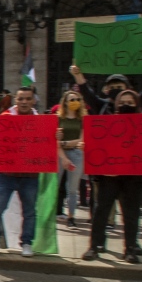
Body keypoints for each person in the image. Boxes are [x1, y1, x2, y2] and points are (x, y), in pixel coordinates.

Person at [0, 88, 70, 256]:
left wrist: (55, 137)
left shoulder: (41, 122)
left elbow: (49, 145)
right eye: (21, 98)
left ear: (33, 101)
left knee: (29, 212)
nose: (24, 102)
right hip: (6, 175)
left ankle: (27, 243)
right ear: (16, 99)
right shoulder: (5, 118)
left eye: (27, 99)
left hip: (30, 176)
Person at [81, 86, 142, 263]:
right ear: (116, 104)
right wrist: (88, 146)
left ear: (137, 104)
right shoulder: (107, 122)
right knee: (101, 212)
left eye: (130, 102)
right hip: (109, 176)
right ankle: (94, 246)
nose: (126, 105)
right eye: (122, 102)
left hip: (133, 178)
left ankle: (130, 249)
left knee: (131, 214)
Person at [56, 90, 86, 226]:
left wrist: (65, 143)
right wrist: (63, 156)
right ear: (65, 102)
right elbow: (55, 141)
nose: (75, 102)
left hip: (76, 154)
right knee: (54, 186)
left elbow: (81, 139)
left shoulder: (82, 119)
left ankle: (71, 217)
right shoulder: (58, 119)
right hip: (59, 154)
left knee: (72, 189)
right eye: (71, 99)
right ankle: (51, 214)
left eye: (77, 99)